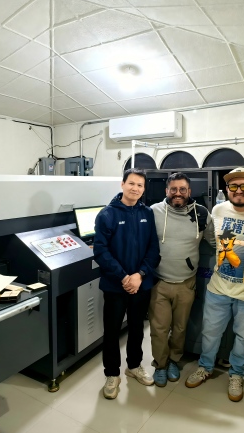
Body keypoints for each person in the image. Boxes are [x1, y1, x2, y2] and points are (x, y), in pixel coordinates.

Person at [185, 167, 244, 402]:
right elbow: (212, 239)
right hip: (218, 290)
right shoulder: (218, 210)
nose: (239, 190)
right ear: (227, 190)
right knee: (210, 333)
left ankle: (236, 374)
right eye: (233, 186)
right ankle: (205, 367)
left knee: (243, 338)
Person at [93, 168, 161, 399]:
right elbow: (101, 251)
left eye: (140, 185)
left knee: (136, 327)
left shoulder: (147, 213)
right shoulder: (107, 214)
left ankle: (134, 366)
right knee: (112, 331)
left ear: (144, 189)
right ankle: (112, 374)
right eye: (131, 183)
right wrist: (123, 277)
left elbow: (153, 248)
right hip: (115, 285)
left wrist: (140, 275)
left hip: (141, 283)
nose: (135, 188)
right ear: (122, 184)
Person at [149, 172, 216, 387]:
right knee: (159, 329)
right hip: (159, 283)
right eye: (173, 189)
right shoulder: (154, 212)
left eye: (182, 189)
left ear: (189, 191)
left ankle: (173, 360)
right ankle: (160, 364)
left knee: (180, 328)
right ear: (166, 191)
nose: (178, 193)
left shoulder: (201, 214)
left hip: (187, 283)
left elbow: (214, 242)